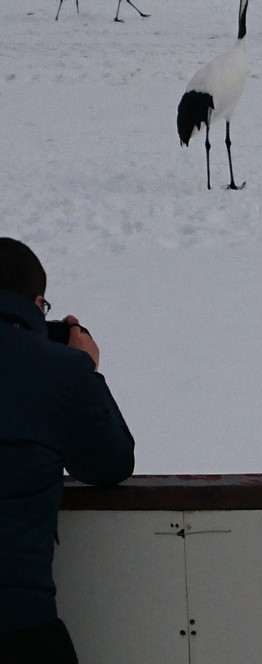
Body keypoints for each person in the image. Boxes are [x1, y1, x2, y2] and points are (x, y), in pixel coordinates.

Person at [0, 238, 135, 663]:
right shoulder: (58, 369)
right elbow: (110, 462)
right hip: (18, 623)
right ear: (38, 303)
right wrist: (87, 371)